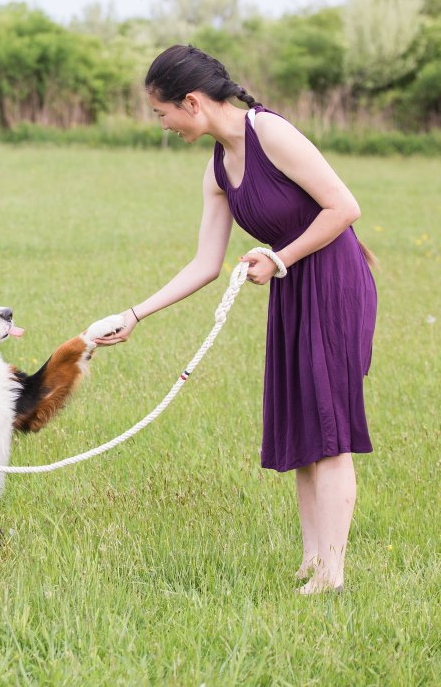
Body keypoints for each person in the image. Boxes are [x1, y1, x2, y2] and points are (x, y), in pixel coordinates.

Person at [93, 45, 376, 595]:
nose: (164, 125)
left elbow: (344, 208)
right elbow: (204, 264)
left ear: (192, 103)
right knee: (302, 426)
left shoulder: (271, 134)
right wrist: (133, 315)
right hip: (291, 286)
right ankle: (312, 559)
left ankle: (333, 573)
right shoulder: (218, 167)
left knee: (331, 428)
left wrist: (278, 257)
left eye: (163, 113)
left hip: (333, 283)